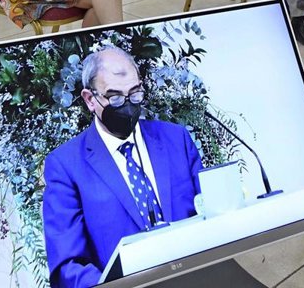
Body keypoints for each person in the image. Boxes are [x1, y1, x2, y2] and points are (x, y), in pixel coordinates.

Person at [43, 47, 200, 288]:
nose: (127, 105)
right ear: (90, 99)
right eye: (115, 98)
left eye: (135, 94)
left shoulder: (176, 139)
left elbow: (212, 213)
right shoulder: (65, 165)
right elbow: (68, 266)